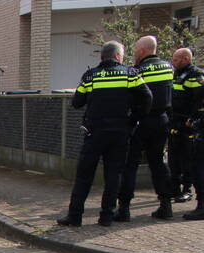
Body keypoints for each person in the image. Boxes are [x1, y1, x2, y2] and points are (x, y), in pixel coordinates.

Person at [58, 41, 151, 227]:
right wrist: (133, 119)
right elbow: (147, 97)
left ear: (102, 56)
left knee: (84, 174)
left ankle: (75, 216)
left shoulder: (91, 75)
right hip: (119, 133)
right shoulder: (130, 74)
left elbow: (76, 102)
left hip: (94, 132)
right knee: (113, 175)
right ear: (118, 56)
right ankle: (106, 217)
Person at [116, 36, 175, 221]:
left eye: (136, 50)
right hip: (162, 120)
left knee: (130, 164)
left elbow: (130, 97)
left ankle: (124, 209)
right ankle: (166, 205)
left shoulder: (137, 70)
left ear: (142, 51)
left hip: (141, 121)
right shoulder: (169, 67)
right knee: (158, 162)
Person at [168, 48, 203, 204]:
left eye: (176, 60)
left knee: (187, 158)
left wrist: (193, 119)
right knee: (173, 157)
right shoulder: (175, 74)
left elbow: (199, 100)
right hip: (175, 121)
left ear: (186, 59)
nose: (173, 62)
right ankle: (174, 188)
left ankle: (187, 190)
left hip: (188, 124)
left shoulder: (196, 75)